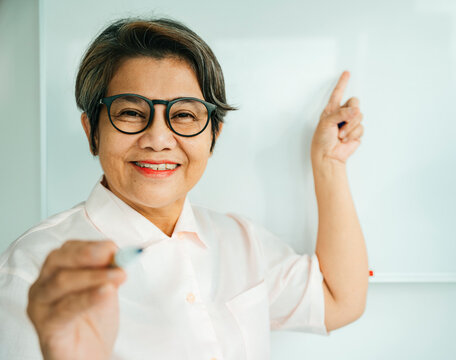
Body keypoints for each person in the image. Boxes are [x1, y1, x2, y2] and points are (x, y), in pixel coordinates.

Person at [0, 17, 368, 360]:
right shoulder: (33, 268)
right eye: (130, 112)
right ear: (91, 130)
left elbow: (340, 300)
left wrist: (329, 164)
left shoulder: (239, 240)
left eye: (184, 115)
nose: (158, 138)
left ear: (213, 135)